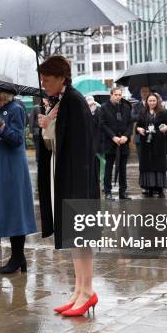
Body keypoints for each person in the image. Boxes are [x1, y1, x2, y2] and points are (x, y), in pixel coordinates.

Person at [37, 56, 100, 317]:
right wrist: (48, 122)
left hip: (78, 178)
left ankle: (87, 291)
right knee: (75, 237)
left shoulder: (73, 101)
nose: (44, 84)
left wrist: (51, 123)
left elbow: (82, 143)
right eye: (42, 79)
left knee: (81, 237)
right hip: (69, 176)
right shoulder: (62, 101)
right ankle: (79, 290)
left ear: (62, 77)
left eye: (47, 80)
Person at [0, 81, 36, 274]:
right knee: (8, 211)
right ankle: (18, 258)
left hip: (12, 171)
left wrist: (2, 125)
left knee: (15, 212)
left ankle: (17, 258)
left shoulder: (15, 109)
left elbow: (18, 139)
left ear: (3, 92)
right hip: (0, 170)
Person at [136, 92, 167, 198]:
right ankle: (150, 188)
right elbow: (138, 126)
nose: (152, 102)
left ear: (157, 101)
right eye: (150, 101)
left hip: (159, 142)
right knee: (148, 165)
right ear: (147, 102)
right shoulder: (143, 112)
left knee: (159, 165)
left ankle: (160, 189)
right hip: (146, 142)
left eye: (154, 100)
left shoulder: (163, 112)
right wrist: (139, 129)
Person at [99, 87, 132, 200]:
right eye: (116, 94)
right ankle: (108, 192)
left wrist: (126, 136)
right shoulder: (104, 107)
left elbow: (129, 124)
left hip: (123, 142)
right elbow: (102, 124)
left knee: (123, 168)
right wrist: (113, 136)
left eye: (120, 94)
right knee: (109, 168)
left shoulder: (126, 107)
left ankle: (122, 192)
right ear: (111, 95)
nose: (118, 96)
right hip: (110, 142)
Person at [131, 86, 151, 163]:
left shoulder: (153, 104)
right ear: (140, 93)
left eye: (146, 91)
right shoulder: (136, 106)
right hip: (139, 135)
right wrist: (142, 115)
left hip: (151, 135)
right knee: (141, 157)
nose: (144, 93)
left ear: (149, 92)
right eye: (143, 91)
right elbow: (132, 118)